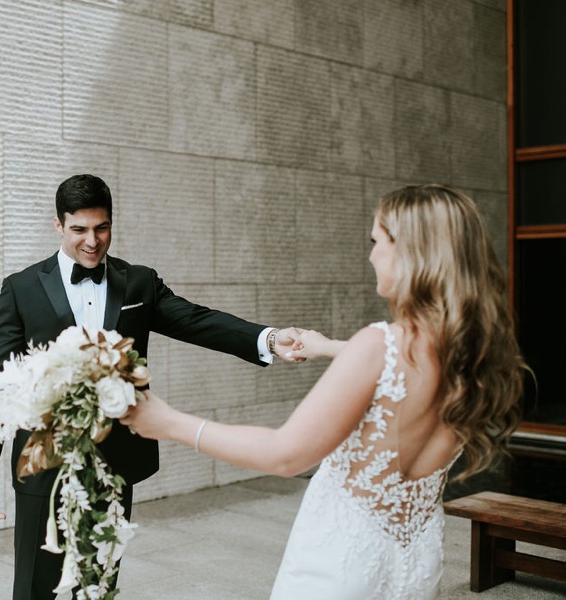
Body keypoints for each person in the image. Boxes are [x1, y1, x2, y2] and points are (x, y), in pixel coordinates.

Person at [120, 184, 527, 599]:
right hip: (416, 562)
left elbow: (284, 454)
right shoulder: (473, 355)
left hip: (344, 562)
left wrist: (170, 423)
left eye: (376, 241)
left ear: (411, 251)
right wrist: (328, 347)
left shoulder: (377, 344)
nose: (371, 255)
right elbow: (400, 369)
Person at [0, 173, 301, 600]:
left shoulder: (139, 283)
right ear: (58, 225)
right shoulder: (21, 288)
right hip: (42, 462)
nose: (92, 240)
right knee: (36, 587)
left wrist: (269, 338)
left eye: (101, 227)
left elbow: (197, 321)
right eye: (79, 229)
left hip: (116, 460)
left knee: (100, 581)